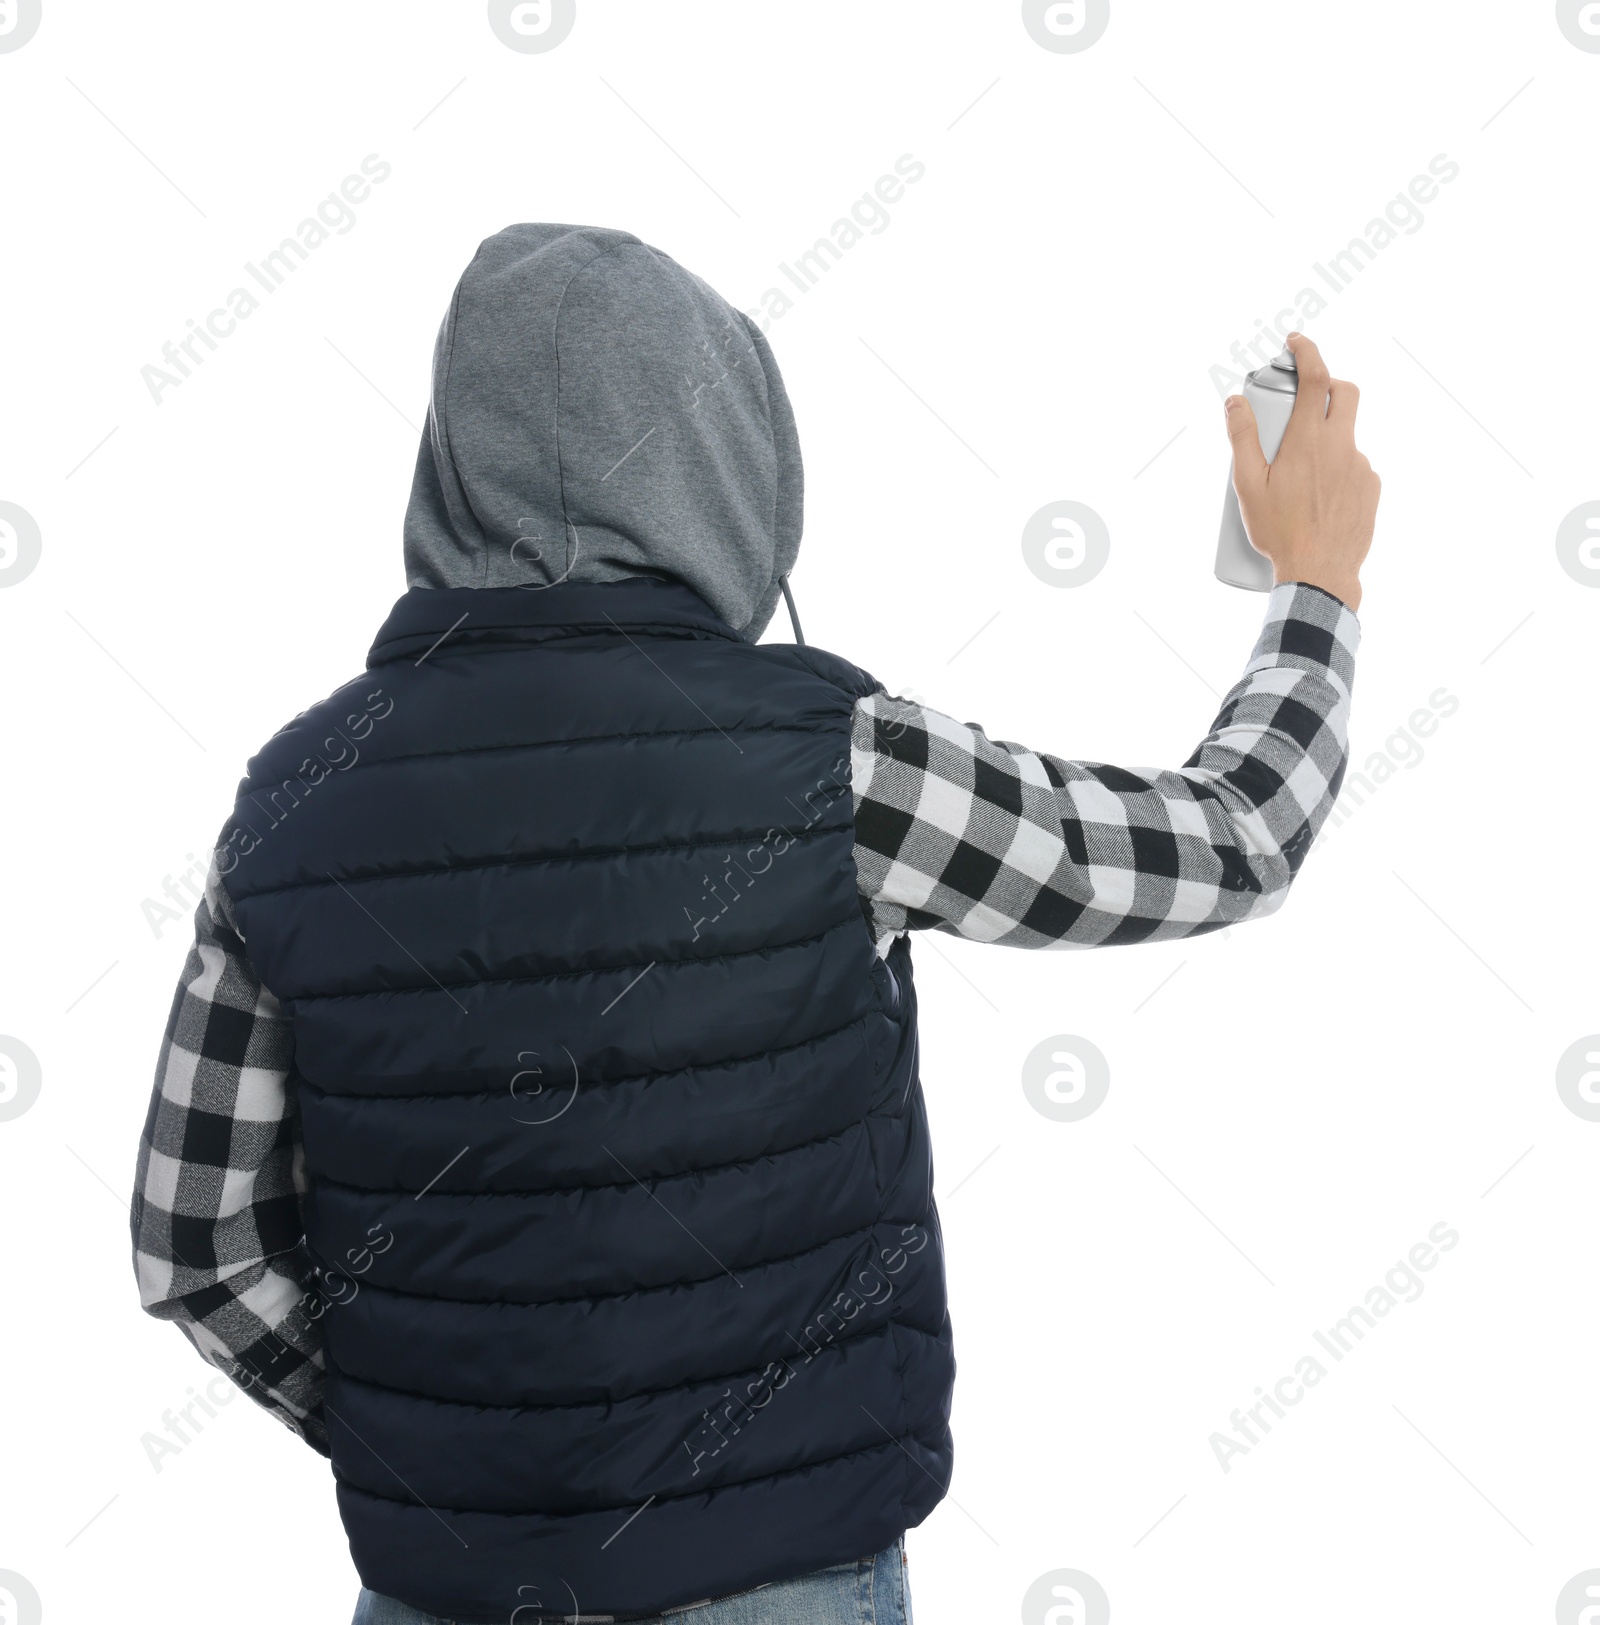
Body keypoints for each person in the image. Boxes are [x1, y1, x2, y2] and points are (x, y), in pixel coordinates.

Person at [130, 224, 1378, 1625]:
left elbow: (199, 1248)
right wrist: (1316, 584)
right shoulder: (837, 764)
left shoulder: (294, 810)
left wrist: (431, 1448)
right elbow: (1237, 835)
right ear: (733, 469)